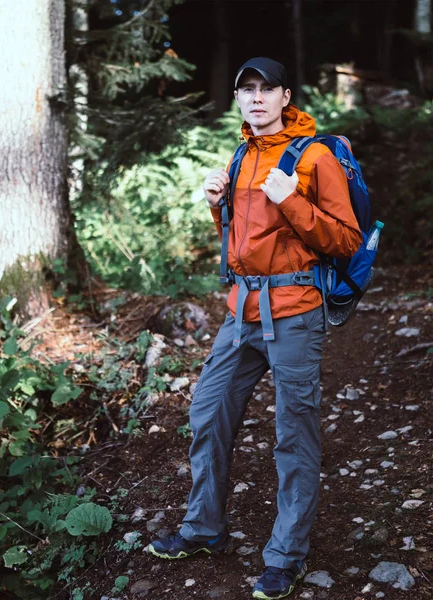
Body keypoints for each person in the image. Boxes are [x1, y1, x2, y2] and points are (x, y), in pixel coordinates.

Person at [146, 57, 362, 600]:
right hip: (240, 312)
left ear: (286, 96)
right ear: (239, 100)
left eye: (268, 89)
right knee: (207, 410)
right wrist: (217, 208)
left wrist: (290, 196)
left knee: (293, 432)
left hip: (294, 311)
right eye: (248, 90)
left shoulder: (312, 158)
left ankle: (285, 556)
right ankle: (203, 529)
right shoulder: (242, 154)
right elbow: (244, 242)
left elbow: (345, 241)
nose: (257, 98)